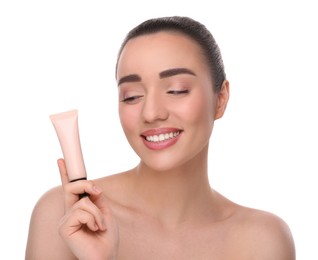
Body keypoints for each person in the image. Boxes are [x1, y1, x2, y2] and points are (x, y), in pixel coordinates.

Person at [25, 16, 295, 259]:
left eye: (177, 90)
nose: (151, 112)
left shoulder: (262, 241)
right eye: (132, 96)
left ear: (220, 99)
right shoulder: (66, 217)